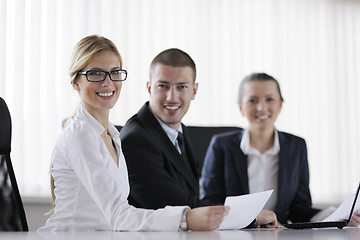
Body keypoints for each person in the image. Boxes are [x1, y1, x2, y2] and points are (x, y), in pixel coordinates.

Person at [38, 35, 230, 231]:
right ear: (75, 82)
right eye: (96, 74)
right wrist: (185, 219)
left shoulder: (111, 135)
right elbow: (119, 215)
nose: (107, 82)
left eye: (114, 72)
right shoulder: (80, 135)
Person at [120, 50, 280, 228]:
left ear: (194, 91)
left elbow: (191, 198)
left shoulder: (180, 131)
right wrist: (251, 217)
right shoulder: (135, 140)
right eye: (163, 86)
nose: (172, 96)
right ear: (150, 88)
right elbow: (179, 207)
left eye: (182, 87)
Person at [201, 72, 360, 226]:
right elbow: (209, 202)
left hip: (278, 234)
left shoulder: (296, 146)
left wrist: (340, 217)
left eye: (269, 99)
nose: (261, 107)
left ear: (280, 104)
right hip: (233, 234)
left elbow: (300, 209)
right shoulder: (221, 145)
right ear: (241, 107)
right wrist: (254, 218)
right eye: (252, 100)